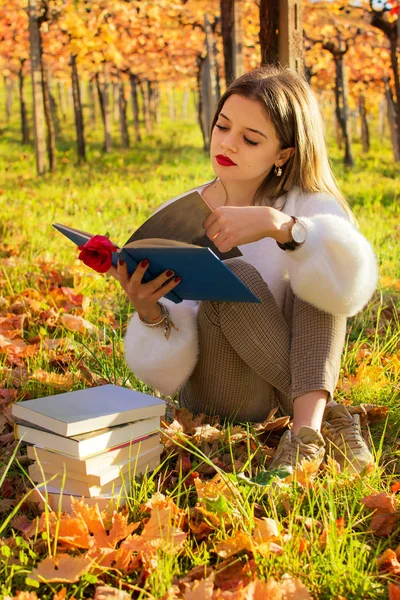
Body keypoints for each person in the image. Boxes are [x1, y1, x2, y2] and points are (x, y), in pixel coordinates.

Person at [111, 66, 378, 476]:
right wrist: (148, 313)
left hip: (287, 375)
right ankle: (331, 415)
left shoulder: (310, 206)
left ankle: (305, 439)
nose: (228, 144)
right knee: (237, 274)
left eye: (250, 139)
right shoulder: (181, 215)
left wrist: (285, 230)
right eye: (222, 126)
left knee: (320, 260)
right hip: (224, 387)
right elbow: (165, 371)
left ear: (284, 154)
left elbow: (349, 290)